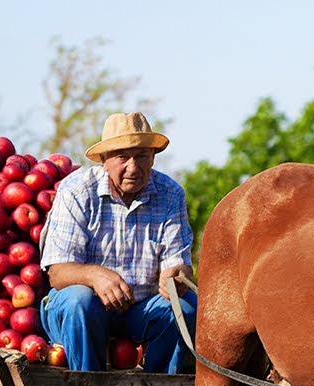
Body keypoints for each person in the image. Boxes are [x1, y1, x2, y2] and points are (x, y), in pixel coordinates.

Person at [39, 111, 197, 372]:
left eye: (142, 156)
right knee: (80, 299)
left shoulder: (170, 194)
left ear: (153, 157)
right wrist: (94, 276)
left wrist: (177, 276)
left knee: (185, 307)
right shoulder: (77, 191)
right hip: (79, 312)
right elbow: (57, 273)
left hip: (138, 310)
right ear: (104, 160)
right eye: (122, 157)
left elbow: (177, 263)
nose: (133, 168)